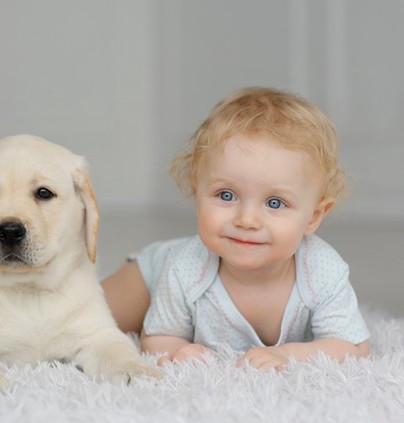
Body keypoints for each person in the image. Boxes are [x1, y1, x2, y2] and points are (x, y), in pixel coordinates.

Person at [102, 87, 370, 371]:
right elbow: (157, 339)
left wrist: (288, 354)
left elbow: (353, 346)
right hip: (150, 275)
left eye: (275, 203)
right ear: (198, 195)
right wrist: (181, 350)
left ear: (313, 217)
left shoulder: (322, 271)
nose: (247, 220)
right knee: (81, 320)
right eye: (226, 196)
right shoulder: (183, 268)